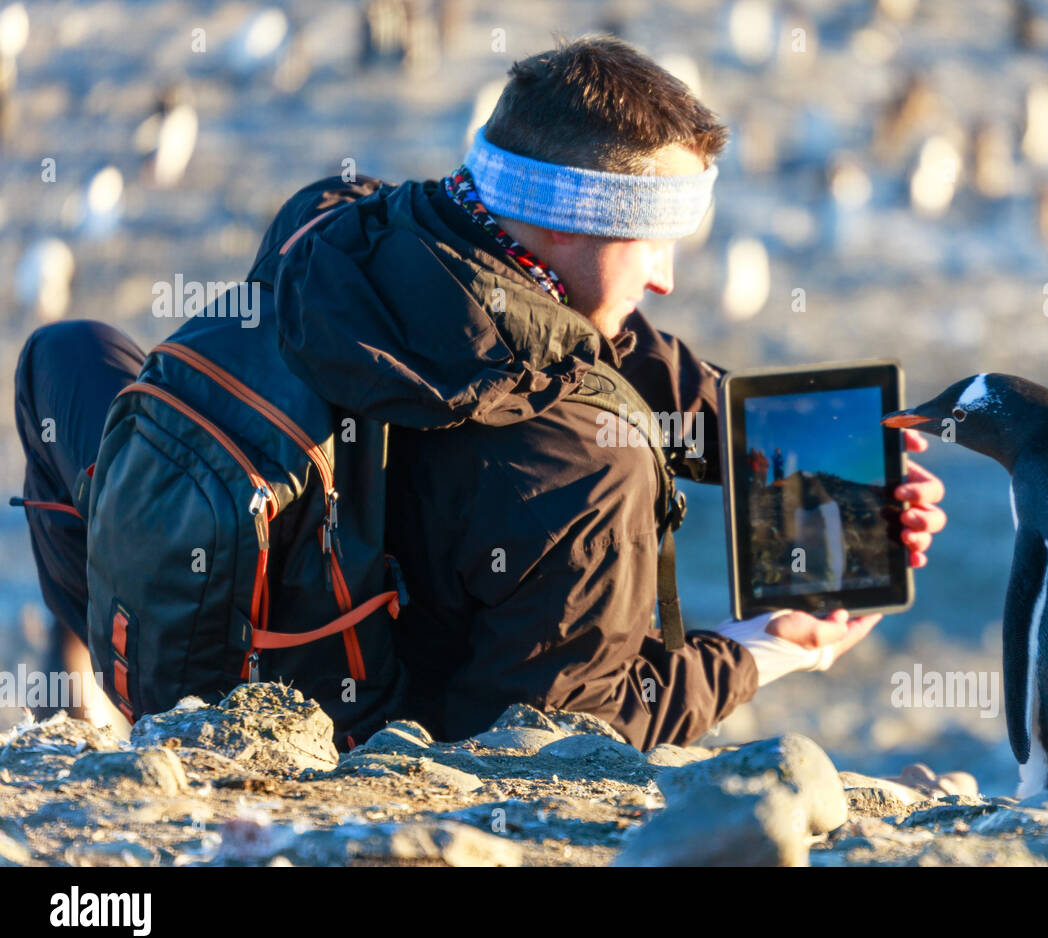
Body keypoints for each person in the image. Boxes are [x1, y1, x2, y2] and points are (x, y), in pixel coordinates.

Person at [15, 36, 947, 752]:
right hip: (339, 732)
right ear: (568, 228)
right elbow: (560, 741)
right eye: (651, 243)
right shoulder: (590, 461)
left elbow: (591, 334)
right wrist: (762, 649)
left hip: (172, 622)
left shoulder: (333, 224)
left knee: (67, 352)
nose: (664, 278)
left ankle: (126, 667)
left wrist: (781, 448)